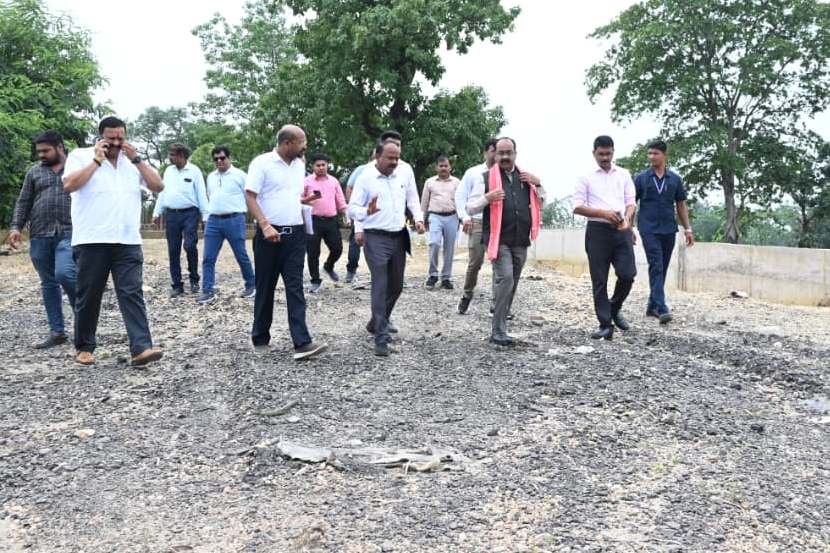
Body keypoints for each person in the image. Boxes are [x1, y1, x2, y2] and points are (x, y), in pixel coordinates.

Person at [62, 116, 164, 366]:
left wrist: (137, 159)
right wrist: (96, 160)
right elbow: (69, 185)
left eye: (121, 138)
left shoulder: (132, 162)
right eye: (111, 138)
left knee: (131, 292)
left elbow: (158, 186)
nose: (117, 143)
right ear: (100, 137)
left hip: (127, 240)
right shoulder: (80, 155)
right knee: (89, 295)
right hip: (91, 240)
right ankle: (84, 347)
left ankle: (141, 348)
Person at [245, 124, 327, 361]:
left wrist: (305, 201)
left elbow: (288, 196)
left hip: (296, 235)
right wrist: (264, 225)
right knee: (265, 286)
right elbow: (250, 195)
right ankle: (260, 337)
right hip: (269, 236)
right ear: (287, 143)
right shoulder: (262, 163)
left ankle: (302, 342)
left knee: (295, 287)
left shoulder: (299, 165)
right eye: (302, 142)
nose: (305, 146)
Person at [348, 140, 425, 356]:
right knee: (380, 285)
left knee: (396, 286)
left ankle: (376, 321)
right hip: (375, 237)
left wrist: (418, 218)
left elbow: (413, 198)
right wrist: (365, 214)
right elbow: (352, 209)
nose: (394, 162)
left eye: (396, 158)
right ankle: (381, 338)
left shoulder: (403, 174)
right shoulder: (365, 177)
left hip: (399, 236)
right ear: (377, 157)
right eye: (390, 158)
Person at [466, 137, 544, 347]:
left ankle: (501, 325)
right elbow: (470, 207)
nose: (505, 157)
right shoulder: (485, 178)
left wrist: (538, 183)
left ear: (515, 154)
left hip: (521, 239)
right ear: (494, 155)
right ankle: (498, 331)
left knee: (512, 282)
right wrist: (488, 198)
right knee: (506, 279)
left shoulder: (526, 178)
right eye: (501, 153)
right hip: (498, 239)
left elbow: (542, 201)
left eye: (509, 153)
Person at [7, 130, 77, 349]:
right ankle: (57, 331)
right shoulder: (34, 172)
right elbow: (23, 202)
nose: (41, 155)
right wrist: (16, 227)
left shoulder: (76, 168)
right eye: (39, 151)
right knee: (48, 283)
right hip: (40, 234)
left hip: (70, 232)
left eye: (46, 151)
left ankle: (84, 324)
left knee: (65, 274)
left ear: (60, 147)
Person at [572, 135, 637, 341]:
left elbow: (631, 202)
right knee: (599, 279)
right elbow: (577, 206)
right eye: (601, 154)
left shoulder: (624, 174)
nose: (605, 158)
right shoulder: (585, 177)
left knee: (628, 274)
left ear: (613, 152)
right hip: (597, 231)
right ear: (594, 153)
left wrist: (628, 220)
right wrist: (603, 213)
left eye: (608, 154)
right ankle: (605, 324)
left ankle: (614, 308)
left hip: (621, 229)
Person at [634, 139, 694, 324]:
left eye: (655, 153)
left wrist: (688, 229)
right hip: (648, 228)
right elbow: (631, 203)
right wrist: (628, 227)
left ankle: (652, 305)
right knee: (656, 265)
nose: (651, 157)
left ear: (664, 155)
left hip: (668, 228)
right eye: (649, 153)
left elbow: (681, 205)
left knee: (663, 266)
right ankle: (661, 307)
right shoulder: (641, 178)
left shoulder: (675, 179)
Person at [196, 145, 256, 304]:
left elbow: (250, 197)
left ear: (229, 158)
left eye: (222, 158)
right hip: (213, 221)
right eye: (216, 159)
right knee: (208, 258)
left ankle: (252, 285)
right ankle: (207, 290)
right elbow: (210, 197)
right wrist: (206, 218)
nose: (219, 161)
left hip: (234, 219)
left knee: (241, 254)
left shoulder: (240, 175)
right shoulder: (211, 177)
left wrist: (257, 217)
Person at [152, 143, 209, 297]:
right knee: (173, 250)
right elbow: (162, 193)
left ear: (182, 155)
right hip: (172, 215)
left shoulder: (194, 171)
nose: (170, 157)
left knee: (190, 245)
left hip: (190, 213)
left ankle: (194, 279)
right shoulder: (168, 171)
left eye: (172, 154)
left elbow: (201, 194)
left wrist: (205, 216)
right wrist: (157, 212)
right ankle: (177, 285)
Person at [455, 138, 497, 314]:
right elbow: (460, 196)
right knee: (475, 263)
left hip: (497, 223)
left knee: (499, 265)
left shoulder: (505, 174)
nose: (497, 155)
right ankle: (466, 295)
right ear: (485, 152)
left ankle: (497, 304)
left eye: (500, 152)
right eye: (493, 151)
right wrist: (464, 217)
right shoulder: (473, 173)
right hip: (478, 222)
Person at [304, 153, 348, 293]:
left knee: (337, 248)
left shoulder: (334, 181)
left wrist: (346, 215)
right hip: (313, 220)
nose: (321, 167)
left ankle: (329, 266)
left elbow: (341, 201)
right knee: (313, 252)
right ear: (313, 166)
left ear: (327, 166)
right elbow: (298, 199)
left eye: (323, 165)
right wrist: (309, 198)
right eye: (318, 165)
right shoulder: (306, 181)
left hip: (331, 220)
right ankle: (315, 280)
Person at [344, 145, 382, 283]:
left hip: (379, 215)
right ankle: (351, 270)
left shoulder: (389, 172)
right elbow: (349, 187)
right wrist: (353, 207)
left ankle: (378, 273)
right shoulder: (361, 170)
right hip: (362, 213)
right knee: (356, 241)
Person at [421, 156, 461, 289]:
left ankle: (446, 278)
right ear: (436, 168)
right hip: (435, 216)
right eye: (441, 166)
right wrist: (421, 220)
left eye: (446, 166)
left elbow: (461, 201)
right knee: (434, 243)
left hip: (452, 216)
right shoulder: (429, 182)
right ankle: (433, 274)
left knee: (449, 248)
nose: (443, 168)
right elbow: (424, 203)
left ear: (450, 167)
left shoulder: (456, 182)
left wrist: (464, 218)